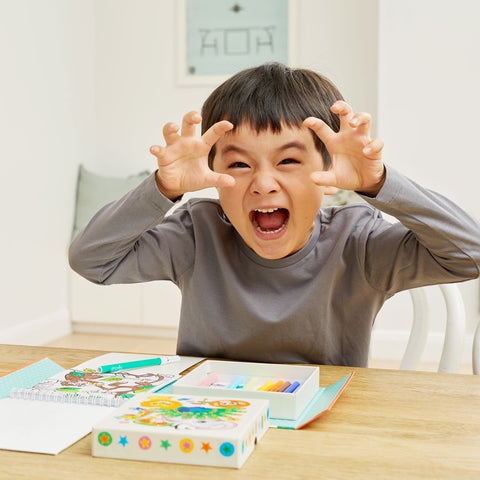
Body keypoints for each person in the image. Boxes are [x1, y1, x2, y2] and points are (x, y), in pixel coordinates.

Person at [69, 63, 480, 367]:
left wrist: (378, 183)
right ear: (213, 175)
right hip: (212, 418)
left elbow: (470, 254)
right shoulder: (197, 234)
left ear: (328, 173)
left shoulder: (359, 243)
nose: (263, 184)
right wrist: (164, 188)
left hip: (321, 427)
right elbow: (91, 260)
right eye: (240, 165)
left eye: (287, 161)